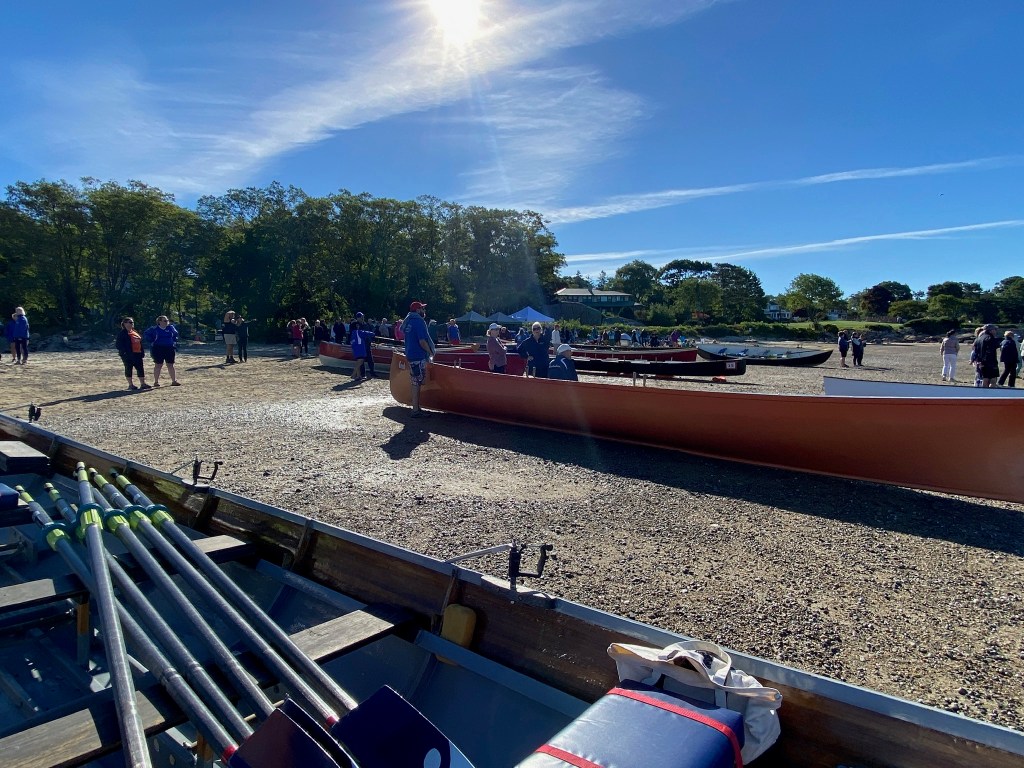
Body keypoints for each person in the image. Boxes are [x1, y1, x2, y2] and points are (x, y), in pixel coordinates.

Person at [401, 301, 435, 417]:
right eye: (422, 309)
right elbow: (422, 341)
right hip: (418, 355)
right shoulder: (419, 322)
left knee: (416, 381)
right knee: (417, 382)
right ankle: (415, 410)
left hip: (410, 354)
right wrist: (430, 352)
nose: (424, 311)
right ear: (418, 310)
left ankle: (416, 408)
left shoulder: (408, 321)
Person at [143, 315, 181, 386]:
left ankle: (174, 381)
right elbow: (146, 334)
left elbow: (175, 334)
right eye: (165, 321)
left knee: (170, 364)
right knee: (158, 364)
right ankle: (156, 382)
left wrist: (174, 341)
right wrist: (151, 340)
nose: (167, 322)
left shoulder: (170, 328)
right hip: (158, 348)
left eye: (167, 320)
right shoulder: (154, 329)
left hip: (169, 348)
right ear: (159, 322)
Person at [115, 317, 152, 390]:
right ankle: (130, 385)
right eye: (129, 322)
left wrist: (142, 352)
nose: (131, 324)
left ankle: (143, 383)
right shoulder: (122, 333)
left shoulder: (134, 332)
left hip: (137, 353)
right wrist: (125, 352)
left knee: (140, 368)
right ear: (124, 324)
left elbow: (139, 342)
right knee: (128, 368)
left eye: (132, 322)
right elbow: (118, 345)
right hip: (128, 355)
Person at [973, 324, 999, 388]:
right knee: (993, 380)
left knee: (985, 379)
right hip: (990, 362)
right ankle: (991, 393)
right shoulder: (990, 338)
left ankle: (984, 392)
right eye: (994, 329)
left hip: (981, 362)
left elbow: (975, 351)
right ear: (990, 330)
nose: (995, 331)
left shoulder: (978, 339)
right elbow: (992, 348)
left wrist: (977, 360)